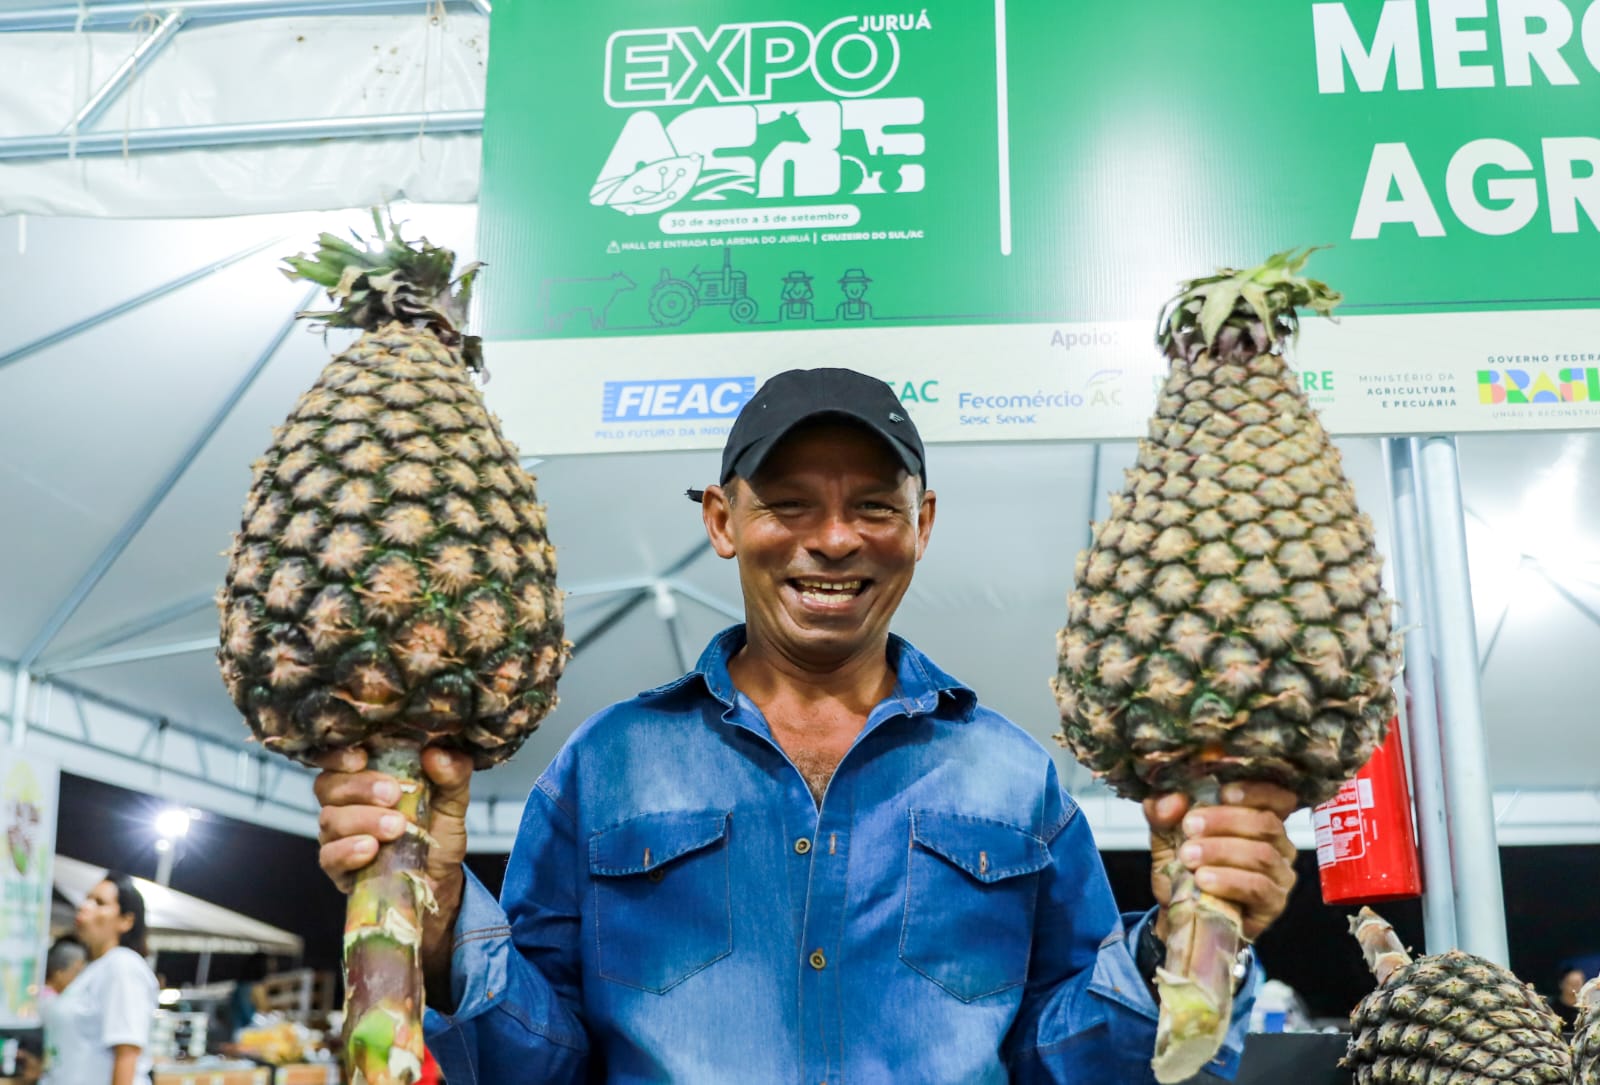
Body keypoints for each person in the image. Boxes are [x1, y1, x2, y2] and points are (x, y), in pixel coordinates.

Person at [314, 368, 1300, 1083]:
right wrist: (436, 918)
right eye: (788, 504)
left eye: (873, 505)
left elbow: (1069, 1060)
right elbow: (535, 1063)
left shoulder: (1012, 775)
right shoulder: (607, 764)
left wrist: (1183, 939)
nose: (832, 538)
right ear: (720, 519)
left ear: (923, 522)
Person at [42, 873, 159, 1085]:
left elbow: (126, 1054)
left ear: (126, 920)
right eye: (87, 898)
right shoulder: (93, 969)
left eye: (99, 902)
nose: (84, 906)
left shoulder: (122, 966)